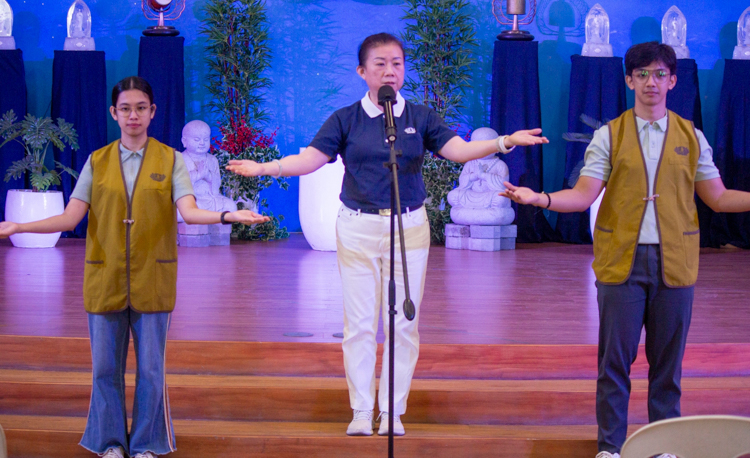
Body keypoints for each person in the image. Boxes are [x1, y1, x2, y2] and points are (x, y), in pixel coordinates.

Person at [225, 32, 548, 437]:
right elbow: (310, 160)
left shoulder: (420, 117)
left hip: (409, 227)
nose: (389, 71)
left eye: (396, 63)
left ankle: (392, 411)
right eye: (379, 64)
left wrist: (504, 142)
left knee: (402, 324)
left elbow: (458, 151)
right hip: (358, 227)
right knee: (359, 324)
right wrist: (265, 168)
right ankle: (361, 411)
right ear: (362, 72)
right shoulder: (345, 118)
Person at [501, 41, 750, 458]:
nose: (650, 82)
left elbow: (719, 198)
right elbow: (582, 196)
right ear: (629, 80)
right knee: (614, 363)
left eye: (659, 75)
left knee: (667, 368)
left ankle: (665, 446)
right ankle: (611, 448)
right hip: (622, 261)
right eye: (642, 75)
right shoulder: (609, 134)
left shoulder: (692, 135)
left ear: (672, 81)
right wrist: (539, 198)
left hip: (676, 262)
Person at [0, 76, 269, 458]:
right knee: (105, 369)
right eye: (125, 108)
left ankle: (146, 443)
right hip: (104, 274)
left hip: (153, 275)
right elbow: (69, 218)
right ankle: (109, 442)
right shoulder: (97, 160)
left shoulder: (171, 159)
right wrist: (19, 226)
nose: (133, 116)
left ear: (152, 112)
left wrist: (229, 215)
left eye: (141, 108)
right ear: (114, 113)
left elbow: (189, 213)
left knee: (150, 372)